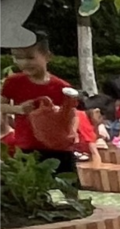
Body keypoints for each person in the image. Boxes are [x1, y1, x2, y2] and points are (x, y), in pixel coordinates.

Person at [2, 37, 83, 174]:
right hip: (26, 146)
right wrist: (18, 109)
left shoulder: (61, 86)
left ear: (47, 57)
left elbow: (72, 113)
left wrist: (72, 132)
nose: (24, 63)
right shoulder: (13, 82)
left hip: (59, 146)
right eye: (18, 58)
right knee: (29, 184)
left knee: (66, 184)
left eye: (30, 57)